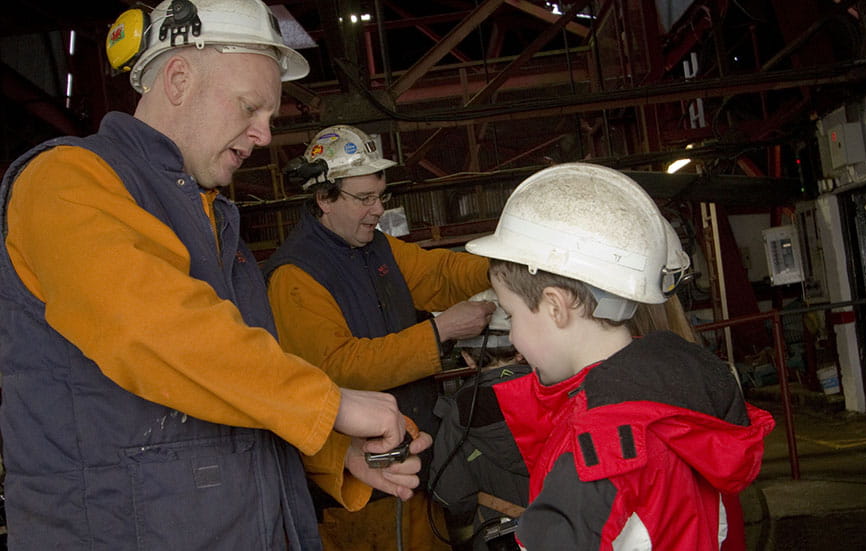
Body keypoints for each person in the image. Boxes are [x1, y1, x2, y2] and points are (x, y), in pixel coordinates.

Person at [0, 1, 429, 549]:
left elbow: (233, 387)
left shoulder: (213, 220)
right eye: (251, 107)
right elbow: (151, 328)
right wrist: (331, 403)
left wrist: (333, 452)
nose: (265, 135)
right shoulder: (65, 181)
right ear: (178, 79)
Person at [463, 162, 775, 550]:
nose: (512, 335)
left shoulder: (602, 446)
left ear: (556, 307)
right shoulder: (675, 395)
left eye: (512, 316)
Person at [263, 124, 495, 550]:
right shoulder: (295, 276)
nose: (377, 210)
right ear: (323, 199)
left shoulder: (376, 248)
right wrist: (439, 331)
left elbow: (438, 274)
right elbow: (336, 367)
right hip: (354, 496)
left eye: (380, 196)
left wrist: (499, 269)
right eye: (364, 199)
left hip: (414, 469)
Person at [430, 289, 531, 551]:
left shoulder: (458, 413)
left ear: (466, 357)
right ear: (521, 348)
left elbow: (450, 493)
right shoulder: (558, 391)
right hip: (575, 528)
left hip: (504, 538)